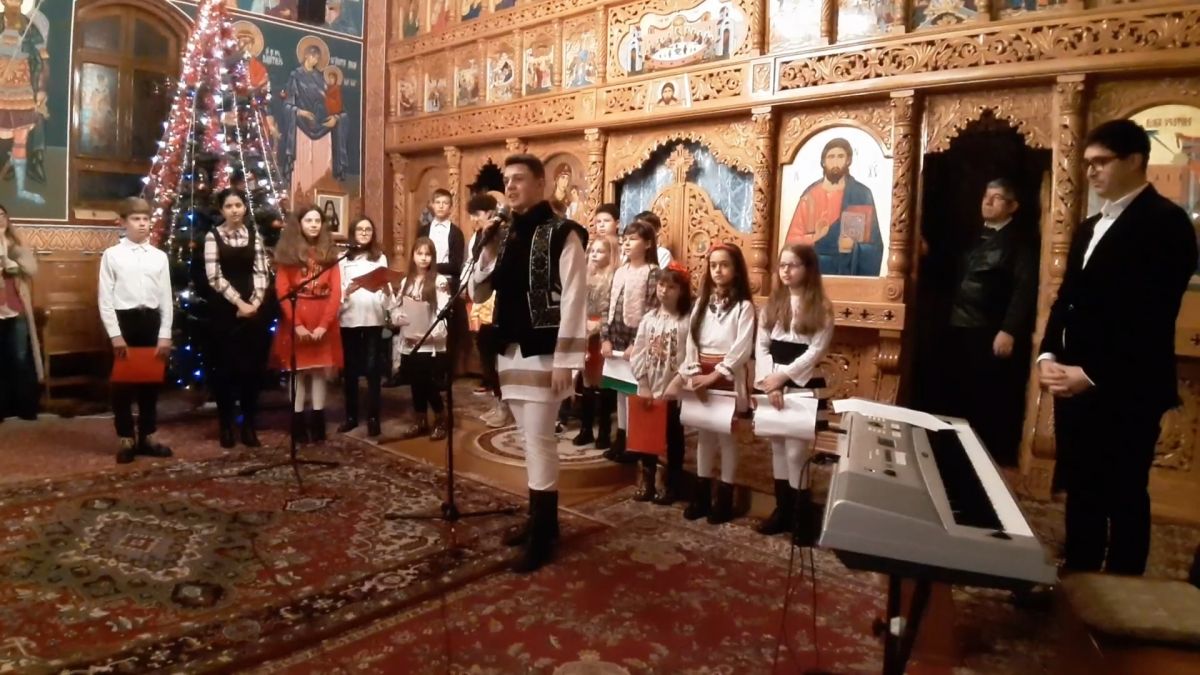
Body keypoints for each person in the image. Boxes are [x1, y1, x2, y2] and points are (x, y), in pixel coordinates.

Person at [1038, 119, 1197, 576]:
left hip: (1127, 387)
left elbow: (1151, 317)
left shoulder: (1166, 223)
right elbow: (1065, 299)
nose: (1091, 171)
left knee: (1124, 491)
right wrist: (1048, 355)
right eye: (1088, 163)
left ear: (1134, 161)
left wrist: (1091, 374)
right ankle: (1080, 576)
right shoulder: (1090, 227)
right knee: (1082, 487)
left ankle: (1124, 587)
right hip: (1071, 381)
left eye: (1101, 162)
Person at [469, 153, 588, 573]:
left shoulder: (563, 233)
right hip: (509, 351)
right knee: (526, 438)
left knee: (539, 441)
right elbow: (479, 293)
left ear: (541, 184)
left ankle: (541, 535)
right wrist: (486, 250)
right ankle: (543, 522)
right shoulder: (504, 235)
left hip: (544, 354)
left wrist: (567, 359)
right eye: (508, 180)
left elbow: (574, 296)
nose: (511, 186)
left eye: (519, 179)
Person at [942, 179, 1037, 466]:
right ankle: (957, 453)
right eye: (986, 195)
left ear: (1013, 206)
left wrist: (1009, 329)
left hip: (988, 328)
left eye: (997, 198)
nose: (988, 201)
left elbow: (1024, 289)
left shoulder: (1019, 243)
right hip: (959, 324)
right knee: (958, 390)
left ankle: (985, 457)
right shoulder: (972, 236)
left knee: (987, 395)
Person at [669, 243, 755, 525]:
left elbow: (741, 348)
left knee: (726, 437)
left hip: (725, 376)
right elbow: (692, 341)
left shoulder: (744, 307)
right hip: (700, 374)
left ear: (736, 270)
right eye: (713, 265)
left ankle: (725, 496)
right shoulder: (701, 304)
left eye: (724, 265)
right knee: (704, 435)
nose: (718, 270)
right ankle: (701, 494)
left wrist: (714, 375)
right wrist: (694, 372)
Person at [753, 244, 833, 544]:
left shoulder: (821, 307)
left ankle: (802, 517)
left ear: (808, 269)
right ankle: (783, 511)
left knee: (796, 451)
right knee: (777, 446)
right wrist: (769, 381)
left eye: (793, 265)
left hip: (802, 381)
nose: (786, 271)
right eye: (782, 265)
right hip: (772, 378)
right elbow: (762, 345)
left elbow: (816, 351)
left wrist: (783, 377)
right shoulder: (772, 305)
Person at [98, 198, 173, 463]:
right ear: (123, 222)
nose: (142, 224)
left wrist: (165, 333)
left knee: (150, 383)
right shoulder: (112, 255)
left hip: (150, 321)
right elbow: (105, 298)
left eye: (145, 219)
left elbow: (165, 298)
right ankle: (126, 438)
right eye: (135, 219)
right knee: (122, 385)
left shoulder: (159, 257)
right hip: (124, 322)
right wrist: (115, 334)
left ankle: (148, 436)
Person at [205, 188, 271, 448]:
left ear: (245, 208)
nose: (234, 210)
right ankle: (226, 426)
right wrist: (239, 302)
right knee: (225, 372)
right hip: (225, 311)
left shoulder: (254, 236)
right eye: (229, 206)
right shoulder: (213, 236)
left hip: (252, 311)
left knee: (251, 372)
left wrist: (254, 303)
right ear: (222, 210)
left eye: (238, 205)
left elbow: (262, 272)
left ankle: (249, 426)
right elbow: (214, 276)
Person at [273, 206, 344, 443]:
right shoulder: (288, 254)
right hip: (298, 317)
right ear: (299, 224)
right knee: (299, 372)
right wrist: (297, 325)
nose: (313, 225)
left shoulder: (330, 254)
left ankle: (318, 421)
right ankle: (297, 422)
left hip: (323, 318)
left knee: (319, 371)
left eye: (317, 221)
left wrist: (324, 325)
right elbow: (282, 291)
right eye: (308, 220)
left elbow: (336, 292)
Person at [630, 262, 692, 504]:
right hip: (650, 385)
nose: (664, 291)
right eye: (661, 285)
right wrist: (643, 382)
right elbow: (638, 351)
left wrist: (678, 380)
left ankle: (671, 483)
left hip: (673, 388)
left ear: (682, 291)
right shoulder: (649, 319)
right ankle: (647, 480)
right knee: (647, 436)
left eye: (671, 287)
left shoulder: (687, 322)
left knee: (673, 437)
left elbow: (691, 355)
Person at [600, 218, 661, 463]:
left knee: (635, 391)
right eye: (624, 239)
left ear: (648, 244)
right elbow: (607, 305)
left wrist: (637, 343)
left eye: (633, 239)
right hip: (615, 339)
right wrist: (605, 338)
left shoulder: (653, 272)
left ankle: (636, 443)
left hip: (636, 342)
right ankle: (621, 437)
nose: (626, 243)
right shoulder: (620, 271)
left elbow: (652, 310)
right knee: (620, 391)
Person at [784, 138, 883, 276]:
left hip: (847, 272)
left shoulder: (861, 194)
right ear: (823, 162)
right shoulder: (810, 196)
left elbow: (875, 245)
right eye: (831, 157)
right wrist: (814, 237)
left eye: (840, 156)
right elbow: (791, 243)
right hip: (813, 272)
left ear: (848, 160)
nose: (835, 162)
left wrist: (855, 247)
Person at [394, 237, 451, 440]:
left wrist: (429, 335)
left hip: (429, 341)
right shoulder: (406, 281)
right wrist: (399, 317)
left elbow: (442, 312)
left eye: (428, 254)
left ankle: (441, 418)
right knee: (414, 381)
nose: (424, 258)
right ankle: (420, 419)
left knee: (427, 382)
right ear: (413, 256)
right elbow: (397, 308)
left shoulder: (439, 281)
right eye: (419, 253)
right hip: (410, 340)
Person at [464, 193, 513, 428]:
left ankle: (506, 406)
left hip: (502, 303)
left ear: (491, 213)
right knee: (484, 347)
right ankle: (498, 401)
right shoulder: (478, 237)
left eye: (478, 214)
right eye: (471, 215)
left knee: (499, 355)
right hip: (483, 299)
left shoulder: (504, 233)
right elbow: (474, 266)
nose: (474, 219)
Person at [338, 217, 390, 437]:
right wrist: (347, 291)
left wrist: (386, 291)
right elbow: (338, 290)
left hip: (373, 318)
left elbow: (385, 292)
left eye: (368, 229)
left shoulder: (380, 257)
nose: (364, 232)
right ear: (353, 232)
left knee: (372, 369)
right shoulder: (343, 258)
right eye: (360, 229)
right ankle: (351, 416)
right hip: (349, 318)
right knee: (350, 370)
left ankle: (373, 417)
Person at [574, 235, 618, 448]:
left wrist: (598, 325)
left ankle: (604, 431)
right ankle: (586, 428)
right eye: (592, 251)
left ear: (610, 254)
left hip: (604, 331)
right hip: (584, 329)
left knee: (604, 381)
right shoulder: (584, 275)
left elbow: (613, 309)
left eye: (600, 251)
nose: (594, 255)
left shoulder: (614, 277)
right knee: (586, 381)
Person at [0, 204, 41, 421]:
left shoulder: (17, 245)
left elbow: (32, 269)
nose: (0, 219)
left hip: (16, 308)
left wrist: (13, 261)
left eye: (2, 215)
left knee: (20, 357)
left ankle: (25, 407)